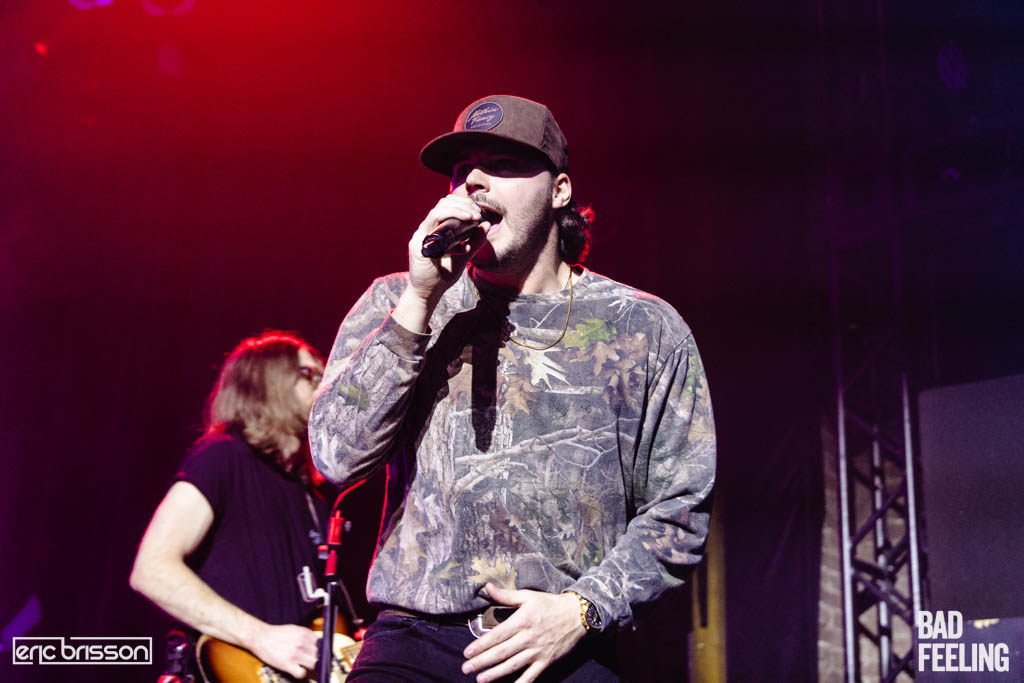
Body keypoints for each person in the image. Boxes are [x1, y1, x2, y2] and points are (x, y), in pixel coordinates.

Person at [310, 95, 716, 682]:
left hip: (561, 647)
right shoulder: (399, 301)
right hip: (411, 641)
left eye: (501, 165)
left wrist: (584, 609)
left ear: (559, 191)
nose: (473, 182)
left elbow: (679, 509)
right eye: (462, 171)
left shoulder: (643, 328)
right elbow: (335, 458)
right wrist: (419, 302)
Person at [131, 331, 332, 680]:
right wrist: (260, 637)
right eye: (309, 373)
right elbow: (152, 568)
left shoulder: (313, 500)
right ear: (267, 381)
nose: (324, 383)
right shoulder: (222, 457)